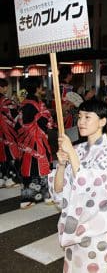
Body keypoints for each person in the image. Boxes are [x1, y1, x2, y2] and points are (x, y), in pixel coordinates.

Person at [48, 100, 107, 273]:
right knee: (72, 267)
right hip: (74, 223)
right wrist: (60, 165)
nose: (81, 121)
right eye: (80, 116)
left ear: (103, 121)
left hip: (96, 226)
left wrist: (71, 154)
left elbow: (95, 187)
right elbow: (59, 191)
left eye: (88, 117)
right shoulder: (78, 149)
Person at [18, 77, 54, 209]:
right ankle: (43, 195)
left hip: (26, 141)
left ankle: (28, 198)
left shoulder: (24, 103)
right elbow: (45, 123)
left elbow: (20, 124)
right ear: (38, 88)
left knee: (29, 168)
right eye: (41, 86)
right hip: (37, 141)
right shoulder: (35, 105)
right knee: (40, 166)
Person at [0, 78, 20, 188]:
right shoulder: (6, 101)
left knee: (2, 154)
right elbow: (15, 116)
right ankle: (12, 177)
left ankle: (2, 177)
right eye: (5, 87)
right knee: (11, 154)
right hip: (8, 132)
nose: (6, 89)